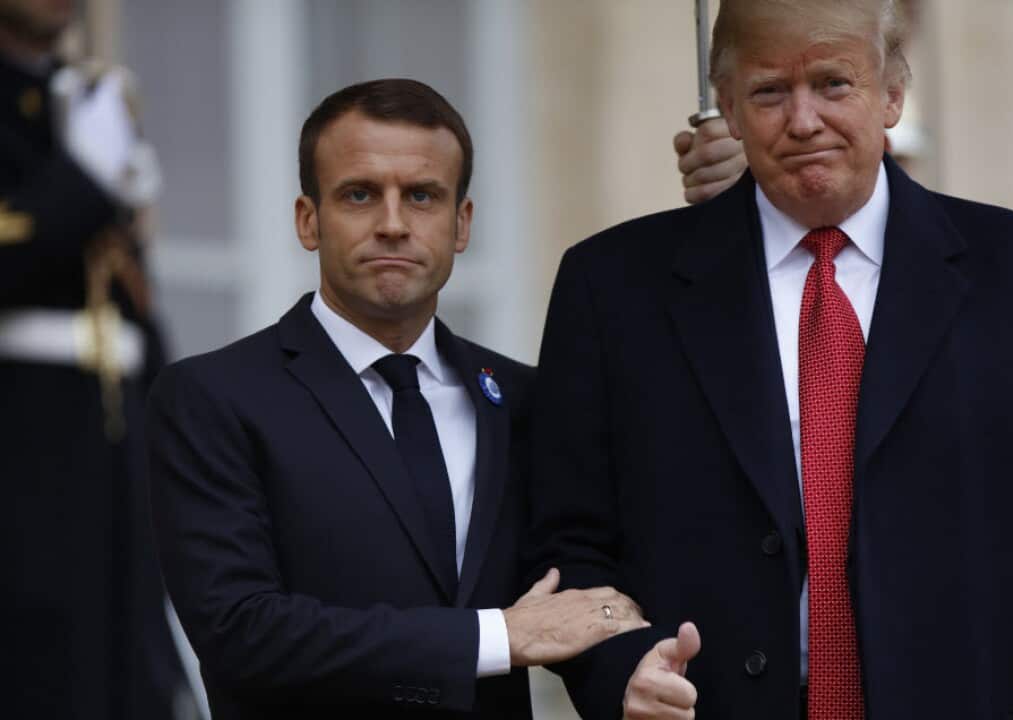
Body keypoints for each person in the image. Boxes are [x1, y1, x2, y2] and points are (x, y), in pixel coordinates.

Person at [527, 0, 1013, 717]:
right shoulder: (612, 287)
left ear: (892, 93)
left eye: (834, 84)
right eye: (769, 91)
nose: (803, 121)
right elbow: (568, 542)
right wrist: (618, 670)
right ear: (727, 108)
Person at [147, 79, 647, 720]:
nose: (391, 224)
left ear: (461, 223)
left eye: (421, 196)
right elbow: (240, 632)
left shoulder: (523, 398)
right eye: (359, 194)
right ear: (308, 219)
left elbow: (582, 571)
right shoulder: (211, 398)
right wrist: (496, 637)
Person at [0, 0, 185, 717]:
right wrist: (83, 178)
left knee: (129, 672)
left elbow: (129, 309)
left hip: (109, 453)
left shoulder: (80, 96)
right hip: (19, 452)